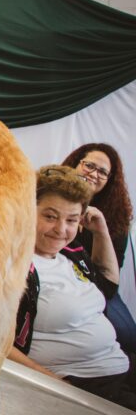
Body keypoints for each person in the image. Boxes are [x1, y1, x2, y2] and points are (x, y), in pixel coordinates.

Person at [9, 165, 136, 410]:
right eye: (50, 216)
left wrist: (100, 230)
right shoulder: (14, 265)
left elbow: (108, 284)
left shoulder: (71, 255)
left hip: (121, 364)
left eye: (72, 219)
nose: (61, 229)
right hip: (85, 383)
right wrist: (57, 386)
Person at [63, 143, 135, 353]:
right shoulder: (49, 196)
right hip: (58, 278)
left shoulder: (117, 217)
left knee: (128, 336)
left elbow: (109, 280)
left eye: (102, 172)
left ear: (110, 180)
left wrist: (99, 230)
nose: (94, 174)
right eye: (89, 166)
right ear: (76, 164)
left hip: (97, 283)